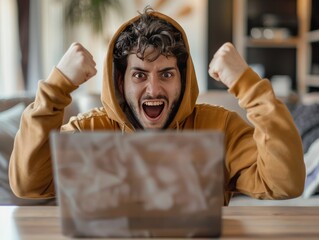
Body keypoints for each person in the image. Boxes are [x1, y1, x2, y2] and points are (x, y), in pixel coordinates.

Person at [9, 7, 305, 205]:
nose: (154, 89)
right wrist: (57, 85)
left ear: (183, 79)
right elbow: (28, 183)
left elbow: (284, 182)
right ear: (120, 81)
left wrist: (249, 84)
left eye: (166, 74)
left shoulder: (219, 128)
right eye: (139, 75)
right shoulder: (91, 129)